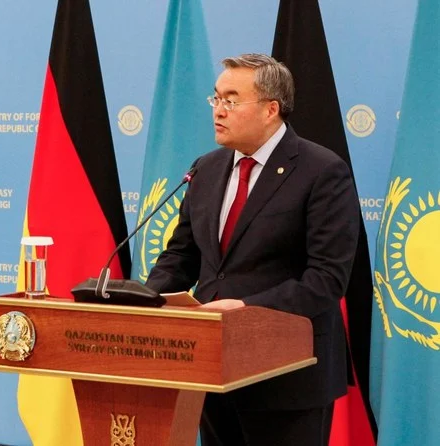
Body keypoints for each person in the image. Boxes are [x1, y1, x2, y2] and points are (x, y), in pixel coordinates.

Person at [145, 54, 360, 446]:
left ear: (270, 109)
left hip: (289, 376)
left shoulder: (322, 171)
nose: (218, 110)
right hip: (211, 367)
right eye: (216, 99)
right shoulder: (205, 169)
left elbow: (326, 280)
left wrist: (244, 309)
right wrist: (145, 299)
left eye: (231, 99)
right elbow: (182, 256)